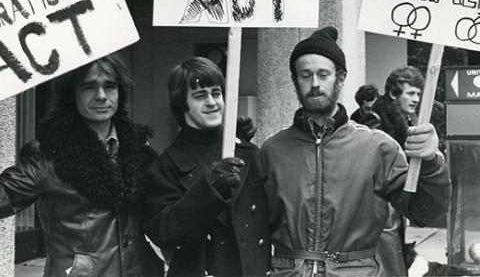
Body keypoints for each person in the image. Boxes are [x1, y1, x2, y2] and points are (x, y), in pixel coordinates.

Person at [256, 26, 450, 277]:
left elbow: (426, 211)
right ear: (294, 80)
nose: (315, 83)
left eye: (323, 74)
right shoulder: (272, 150)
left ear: (341, 77)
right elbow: (253, 230)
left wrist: (431, 163)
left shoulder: (378, 148)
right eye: (305, 75)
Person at [0, 54, 164, 277]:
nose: (101, 96)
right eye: (89, 87)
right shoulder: (49, 154)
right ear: (71, 95)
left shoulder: (136, 147)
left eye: (110, 86)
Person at [143, 57, 270, 277]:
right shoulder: (165, 167)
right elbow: (163, 233)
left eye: (216, 93)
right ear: (182, 104)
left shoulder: (248, 152)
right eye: (200, 96)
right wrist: (208, 189)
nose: (212, 102)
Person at [361, 65, 426, 276]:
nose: (416, 99)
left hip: (394, 204)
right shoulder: (375, 121)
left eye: (418, 93)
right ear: (392, 93)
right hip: (375, 208)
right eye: (411, 93)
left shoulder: (405, 123)